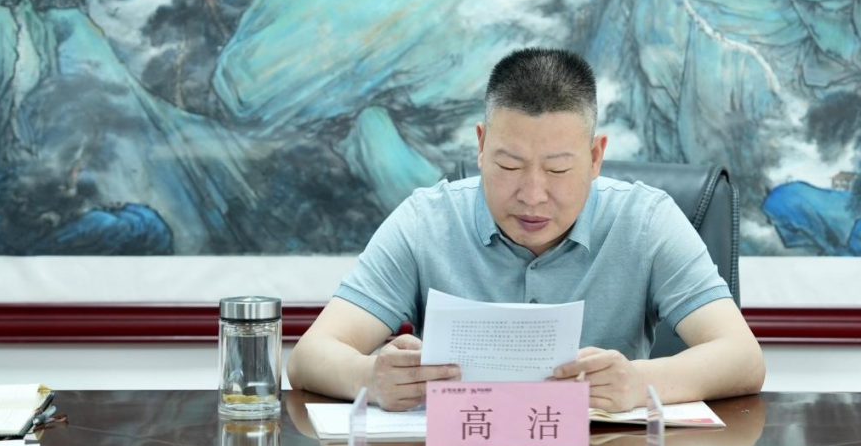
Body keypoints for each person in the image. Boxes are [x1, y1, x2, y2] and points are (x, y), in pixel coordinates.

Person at [288, 47, 765, 411]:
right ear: (481, 146)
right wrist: (370, 377)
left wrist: (638, 383)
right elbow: (309, 356)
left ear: (595, 156)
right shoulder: (425, 221)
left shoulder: (647, 221)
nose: (533, 195)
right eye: (509, 166)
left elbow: (743, 357)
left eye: (558, 169)